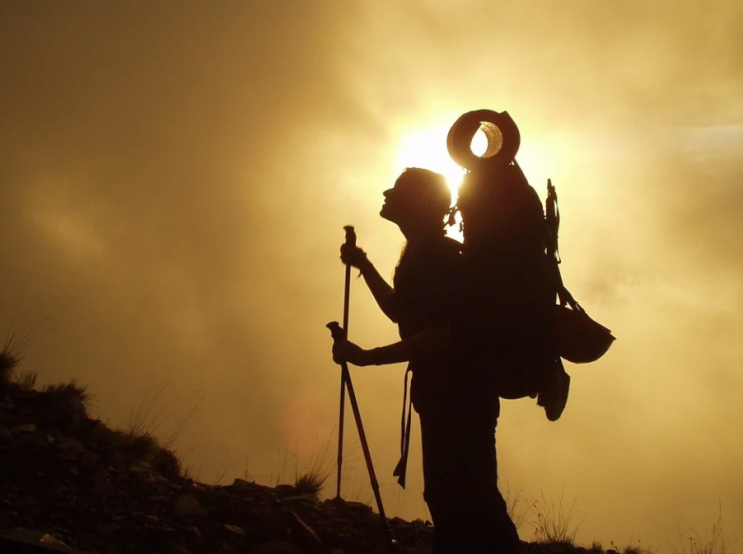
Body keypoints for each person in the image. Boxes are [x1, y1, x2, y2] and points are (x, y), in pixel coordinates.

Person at [332, 167, 521, 554]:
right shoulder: (421, 254)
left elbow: (439, 336)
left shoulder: (437, 256)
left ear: (418, 202)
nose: (387, 193)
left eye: (398, 190)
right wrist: (364, 264)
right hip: (447, 393)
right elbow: (402, 313)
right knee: (455, 494)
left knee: (467, 496)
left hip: (460, 394)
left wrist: (367, 358)